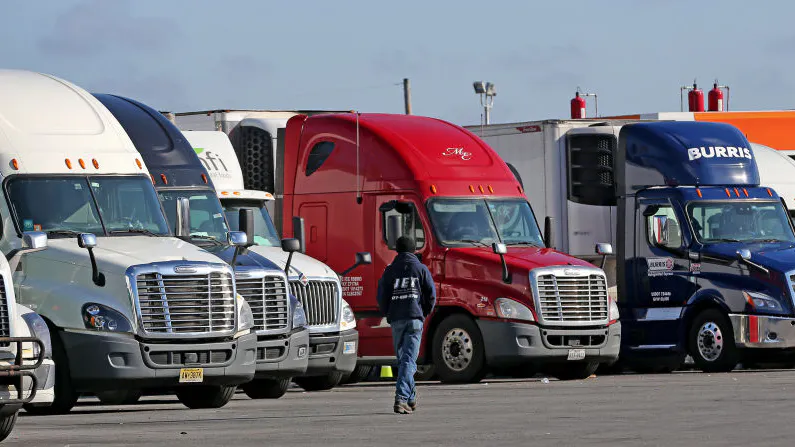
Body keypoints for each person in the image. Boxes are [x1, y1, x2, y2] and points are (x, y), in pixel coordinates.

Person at [376, 236, 436, 414]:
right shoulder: (420, 268)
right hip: (414, 318)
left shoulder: (390, 270)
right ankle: (402, 398)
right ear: (414, 250)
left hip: (397, 320)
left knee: (404, 360)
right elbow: (431, 295)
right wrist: (424, 312)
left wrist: (388, 313)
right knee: (409, 360)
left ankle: (411, 398)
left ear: (397, 250)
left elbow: (381, 296)